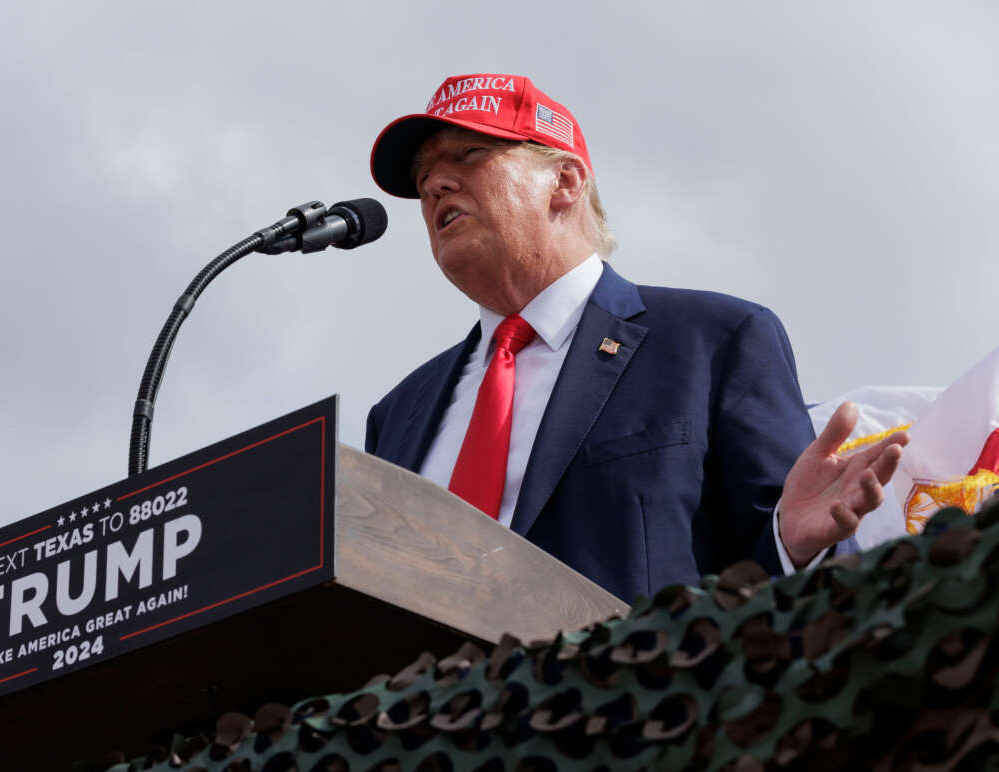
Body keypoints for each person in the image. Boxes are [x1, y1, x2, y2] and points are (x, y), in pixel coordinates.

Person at [364, 73, 908, 603]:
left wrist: (794, 549)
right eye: (423, 179)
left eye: (469, 155)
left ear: (566, 181)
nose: (435, 185)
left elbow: (791, 588)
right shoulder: (397, 415)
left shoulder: (714, 342)